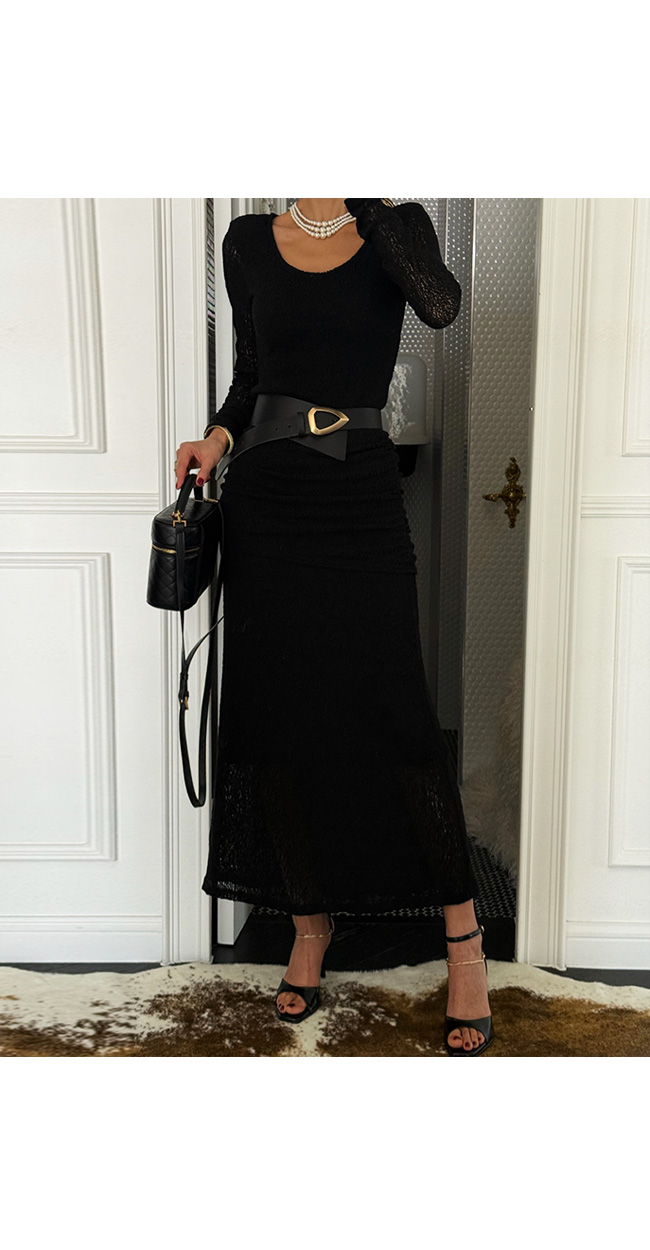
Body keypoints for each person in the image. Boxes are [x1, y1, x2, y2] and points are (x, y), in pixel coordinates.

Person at [174, 198, 493, 1055]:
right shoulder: (247, 240)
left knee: (397, 710)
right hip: (268, 498)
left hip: (359, 496)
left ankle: (464, 940)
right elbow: (250, 376)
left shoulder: (396, 226)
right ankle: (309, 925)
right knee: (281, 713)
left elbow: (441, 305)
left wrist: (369, 208)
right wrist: (214, 439)